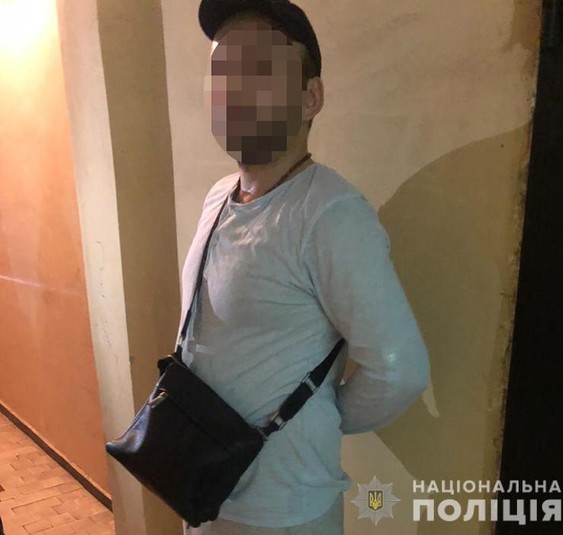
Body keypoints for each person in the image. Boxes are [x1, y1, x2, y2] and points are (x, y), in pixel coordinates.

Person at [181, 1, 431, 533]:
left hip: (283, 512)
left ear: (310, 97)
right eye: (221, 71)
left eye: (258, 69)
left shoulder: (330, 215)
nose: (233, 89)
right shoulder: (219, 196)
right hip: (201, 486)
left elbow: (400, 369)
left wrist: (320, 417)